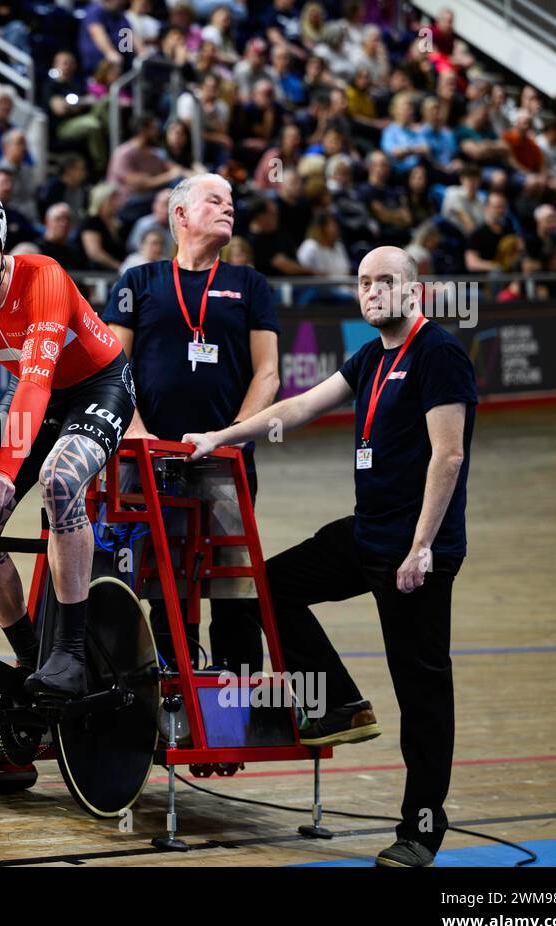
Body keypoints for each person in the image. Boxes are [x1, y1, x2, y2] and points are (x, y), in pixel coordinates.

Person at [183, 245, 477, 867]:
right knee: (271, 585)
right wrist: (221, 437)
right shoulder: (372, 355)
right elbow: (299, 406)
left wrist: (422, 547)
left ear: (413, 290)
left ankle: (420, 831)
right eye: (365, 283)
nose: (373, 292)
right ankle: (338, 702)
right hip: (368, 534)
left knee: (422, 693)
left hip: (414, 549)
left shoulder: (439, 353)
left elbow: (447, 457)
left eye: (386, 282)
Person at [0, 180, 134, 697]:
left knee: (58, 481)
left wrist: (1, 472)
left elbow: (36, 383)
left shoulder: (43, 276)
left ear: (1, 241)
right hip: (35, 397)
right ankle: (29, 657)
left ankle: (73, 653)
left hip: (97, 387)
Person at [104, 173, 280, 671]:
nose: (230, 208)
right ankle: (173, 680)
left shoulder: (249, 284)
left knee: (233, 570)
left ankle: (236, 693)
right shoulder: (138, 281)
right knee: (163, 571)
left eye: (232, 201)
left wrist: (233, 438)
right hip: (152, 457)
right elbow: (114, 369)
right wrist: (136, 432)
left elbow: (267, 372)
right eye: (215, 200)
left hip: (224, 455)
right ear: (179, 215)